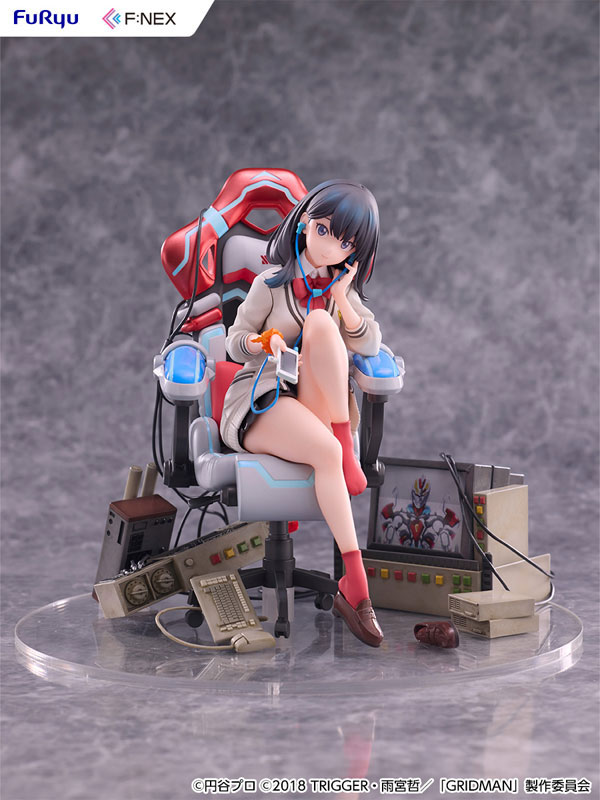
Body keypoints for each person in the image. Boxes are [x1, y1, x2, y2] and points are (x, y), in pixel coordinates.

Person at [220, 180, 384, 647]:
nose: (330, 247)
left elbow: (371, 343)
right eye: (325, 230)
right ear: (305, 224)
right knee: (327, 453)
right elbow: (233, 342)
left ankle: (343, 443)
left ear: (354, 254)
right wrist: (262, 342)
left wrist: (343, 298)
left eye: (346, 243)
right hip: (261, 399)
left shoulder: (337, 291)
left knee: (320, 322)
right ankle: (357, 585)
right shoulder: (269, 285)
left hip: (314, 402)